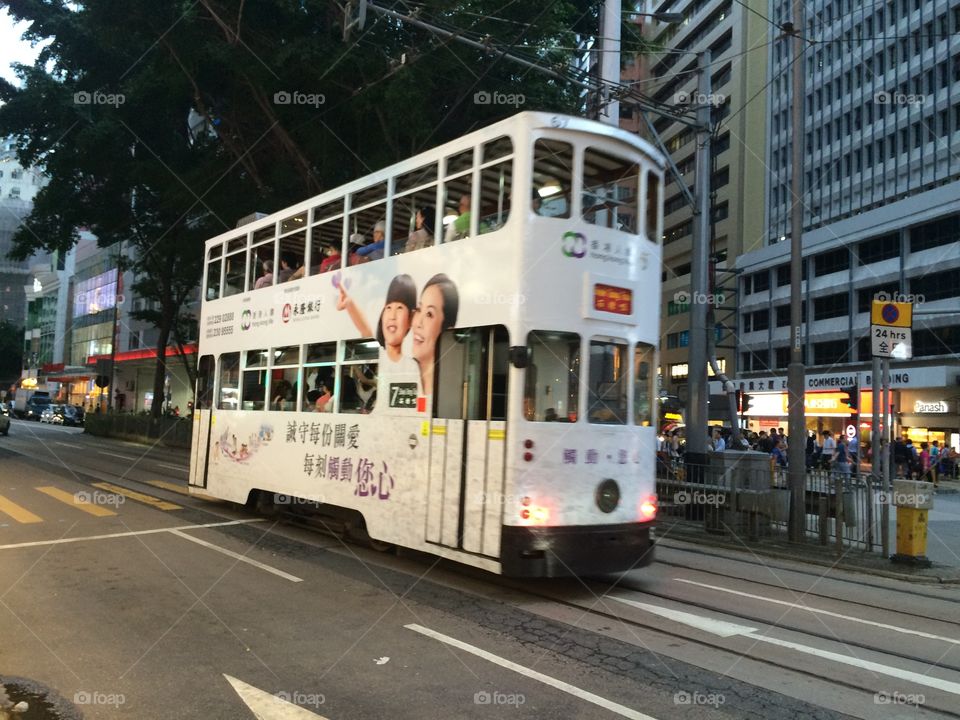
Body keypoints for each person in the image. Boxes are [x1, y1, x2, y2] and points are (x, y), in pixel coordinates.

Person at [337, 274, 417, 364]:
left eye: (399, 308)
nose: (392, 316)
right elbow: (365, 328)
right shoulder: (380, 355)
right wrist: (349, 303)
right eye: (389, 307)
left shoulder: (412, 366)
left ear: (411, 318)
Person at [412, 273, 459, 396]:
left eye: (429, 314)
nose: (418, 323)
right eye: (419, 310)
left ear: (447, 330)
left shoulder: (451, 389)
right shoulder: (402, 371)